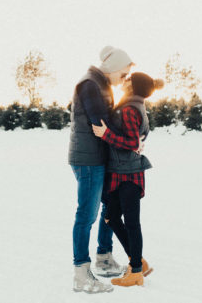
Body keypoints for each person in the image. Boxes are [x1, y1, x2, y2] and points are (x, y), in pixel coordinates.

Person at [69, 46, 133, 293]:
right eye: (124, 73)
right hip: (87, 159)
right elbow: (100, 121)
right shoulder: (89, 84)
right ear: (115, 67)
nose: (125, 78)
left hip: (99, 155)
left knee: (110, 205)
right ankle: (81, 273)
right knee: (87, 213)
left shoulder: (101, 83)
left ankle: (104, 257)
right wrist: (127, 141)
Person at [92, 72, 163, 287]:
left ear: (134, 86)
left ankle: (136, 272)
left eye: (129, 80)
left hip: (129, 175)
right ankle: (137, 259)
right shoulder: (132, 104)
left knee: (131, 222)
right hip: (120, 172)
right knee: (112, 217)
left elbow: (133, 142)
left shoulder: (131, 109)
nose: (125, 82)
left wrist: (105, 134)